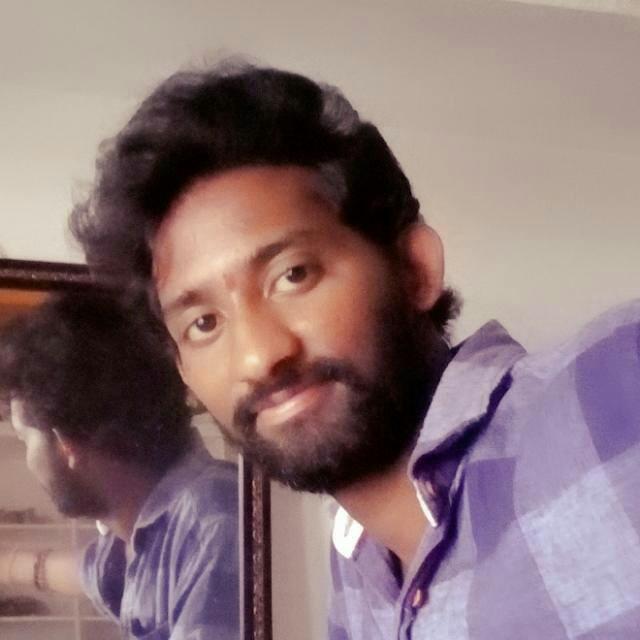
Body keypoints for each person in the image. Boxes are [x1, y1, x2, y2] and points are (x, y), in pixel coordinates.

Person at [70, 62, 640, 639]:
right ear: (185, 373)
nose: (258, 357)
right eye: (204, 323)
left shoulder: (615, 382)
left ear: (415, 267)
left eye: (293, 275)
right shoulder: (356, 588)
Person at [0, 289, 239, 639]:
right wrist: (9, 565)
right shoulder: (141, 538)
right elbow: (88, 572)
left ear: (66, 446)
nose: (29, 457)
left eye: (26, 439)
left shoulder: (209, 522)